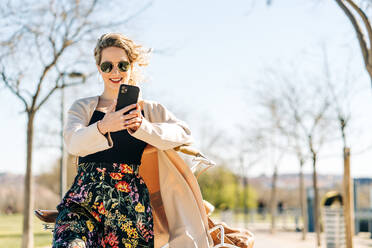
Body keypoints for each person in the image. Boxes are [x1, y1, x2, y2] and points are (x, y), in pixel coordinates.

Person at [52, 33, 209, 248]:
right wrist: (104, 126)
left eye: (122, 65)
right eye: (107, 66)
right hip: (83, 201)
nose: (115, 72)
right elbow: (73, 143)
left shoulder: (148, 109)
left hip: (129, 206)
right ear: (99, 68)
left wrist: (142, 127)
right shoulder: (82, 107)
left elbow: (183, 132)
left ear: (131, 66)